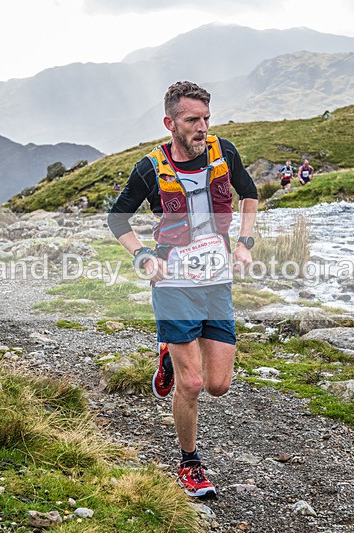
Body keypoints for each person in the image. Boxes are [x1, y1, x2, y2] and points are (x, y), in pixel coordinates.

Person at [108, 81, 258, 498]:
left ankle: (169, 354)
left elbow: (249, 193)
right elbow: (118, 219)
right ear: (169, 122)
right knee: (191, 385)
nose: (202, 128)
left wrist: (245, 243)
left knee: (218, 385)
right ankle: (190, 463)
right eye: (193, 120)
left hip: (216, 283)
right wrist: (142, 256)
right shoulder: (149, 167)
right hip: (173, 282)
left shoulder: (223, 152)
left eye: (207, 118)